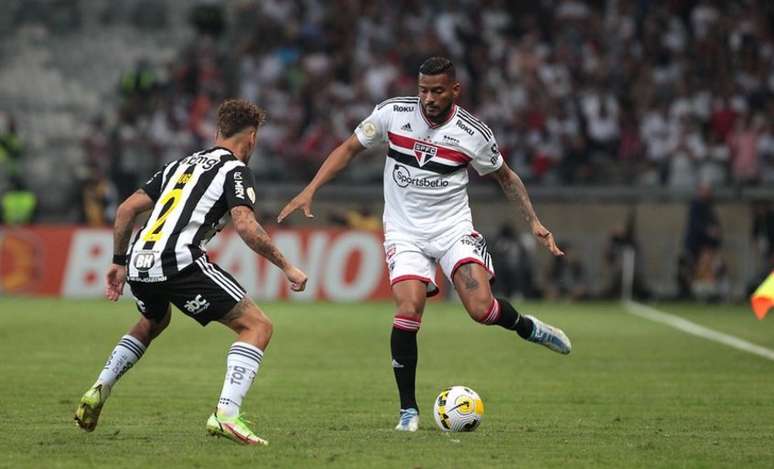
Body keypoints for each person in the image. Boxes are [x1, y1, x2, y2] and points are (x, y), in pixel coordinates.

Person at [278, 57, 571, 432]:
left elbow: (506, 177)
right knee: (408, 307)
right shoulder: (392, 114)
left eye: (436, 91)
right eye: (423, 90)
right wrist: (310, 189)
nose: (428, 98)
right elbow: (349, 148)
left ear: (454, 90)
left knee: (481, 310)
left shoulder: (473, 133)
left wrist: (534, 222)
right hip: (404, 232)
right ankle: (408, 412)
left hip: (452, 230)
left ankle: (529, 328)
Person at [74, 99, 308, 446]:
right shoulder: (235, 170)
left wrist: (119, 261)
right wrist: (287, 266)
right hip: (178, 260)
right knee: (257, 326)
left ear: (217, 132)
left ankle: (99, 388)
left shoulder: (178, 165)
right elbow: (245, 225)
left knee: (152, 321)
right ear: (252, 137)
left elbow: (125, 210)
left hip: (140, 260)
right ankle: (226, 414)